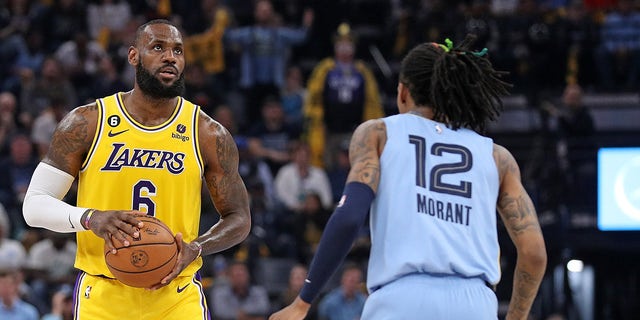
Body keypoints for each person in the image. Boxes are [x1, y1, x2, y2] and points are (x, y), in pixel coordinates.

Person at [270, 35, 547, 320]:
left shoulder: (378, 133)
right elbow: (534, 253)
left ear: (403, 92)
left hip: (400, 300)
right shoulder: (497, 157)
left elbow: (350, 217)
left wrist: (303, 301)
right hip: (474, 303)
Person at [22, 19, 251, 320]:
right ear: (133, 56)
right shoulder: (88, 122)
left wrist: (197, 247)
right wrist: (90, 218)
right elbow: (34, 204)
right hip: (103, 294)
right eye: (158, 47)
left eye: (178, 51)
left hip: (175, 295)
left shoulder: (207, 133)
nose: (170, 56)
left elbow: (239, 218)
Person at [303, 22, 384, 169]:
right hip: (329, 129)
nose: (345, 50)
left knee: (355, 165)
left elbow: (372, 101)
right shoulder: (325, 69)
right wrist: (313, 118)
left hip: (355, 129)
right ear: (335, 47)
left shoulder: (362, 71)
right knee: (326, 163)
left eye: (348, 46)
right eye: (341, 46)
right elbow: (313, 96)